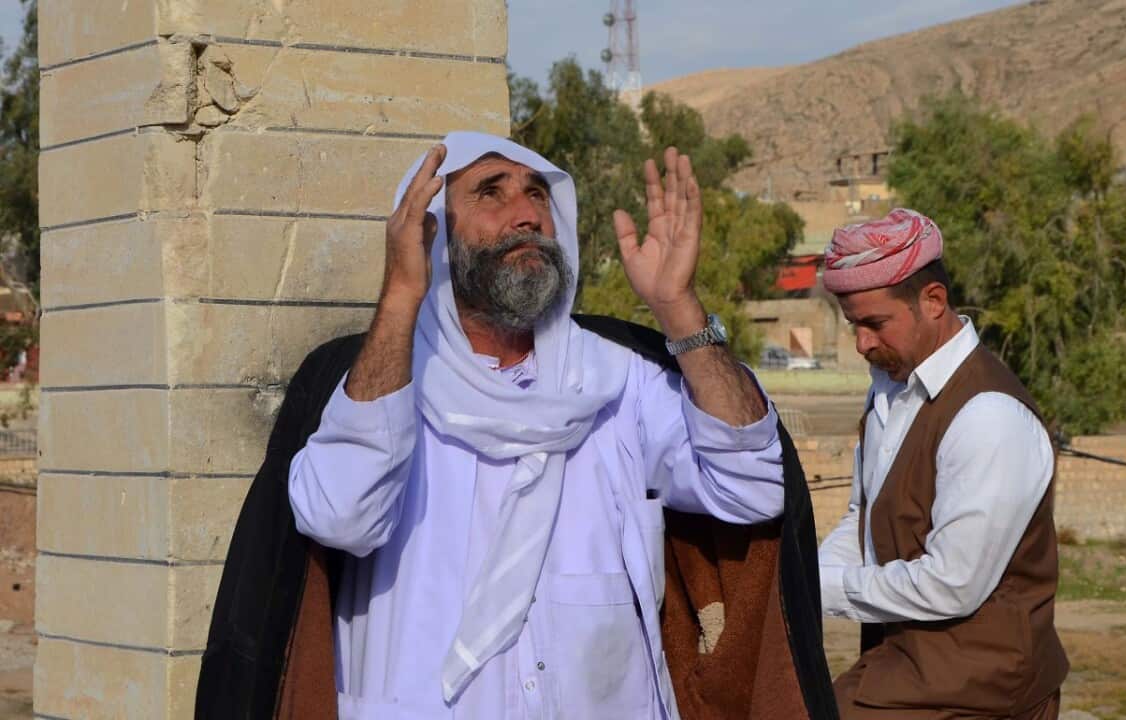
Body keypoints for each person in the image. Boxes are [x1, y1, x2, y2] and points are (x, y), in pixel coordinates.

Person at [195, 132, 838, 720]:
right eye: (491, 193)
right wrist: (398, 297)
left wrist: (677, 308)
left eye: (537, 193)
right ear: (433, 235)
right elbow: (340, 516)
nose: (526, 212)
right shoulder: (382, 383)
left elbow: (750, 487)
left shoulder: (616, 380)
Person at [817, 209, 1069, 720]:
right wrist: (805, 577)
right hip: (906, 666)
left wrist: (823, 588)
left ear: (933, 301)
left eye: (875, 324)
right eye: (853, 326)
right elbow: (862, 518)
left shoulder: (988, 415)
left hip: (981, 688)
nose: (863, 343)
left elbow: (951, 584)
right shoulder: (891, 387)